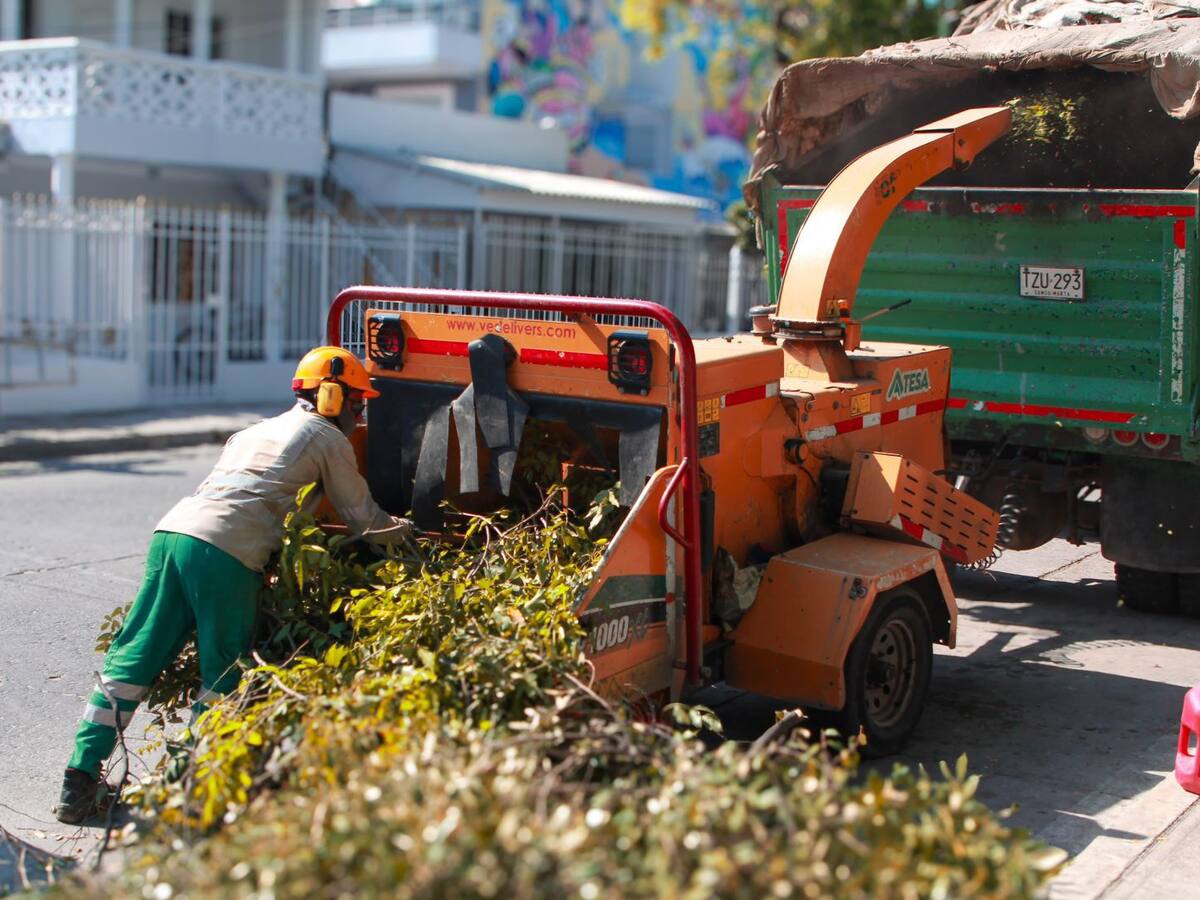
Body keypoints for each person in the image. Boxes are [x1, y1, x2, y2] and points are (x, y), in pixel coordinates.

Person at [54, 347, 414, 824]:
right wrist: (414, 538)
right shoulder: (327, 437)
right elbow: (363, 517)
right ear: (332, 396)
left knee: (133, 658)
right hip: (226, 552)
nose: (359, 412)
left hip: (173, 536)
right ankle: (185, 788)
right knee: (222, 674)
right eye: (357, 403)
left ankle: (76, 783)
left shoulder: (252, 431)